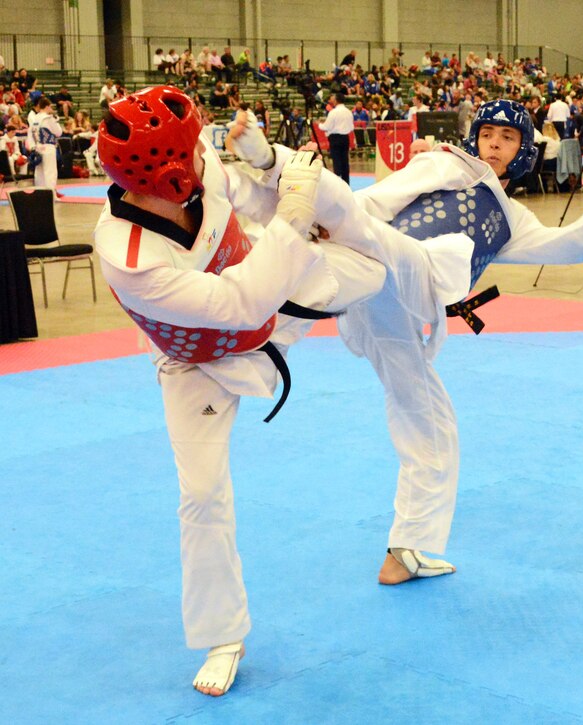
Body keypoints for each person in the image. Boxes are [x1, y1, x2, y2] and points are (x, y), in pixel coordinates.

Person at [93, 86, 470, 698]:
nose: (201, 160)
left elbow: (251, 196)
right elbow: (236, 305)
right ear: (161, 174)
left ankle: (434, 281)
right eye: (188, 158)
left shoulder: (198, 165)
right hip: (203, 362)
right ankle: (224, 635)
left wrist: (270, 169)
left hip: (279, 303)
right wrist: (292, 222)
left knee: (369, 264)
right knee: (202, 495)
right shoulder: (129, 258)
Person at [327, 100, 583, 585]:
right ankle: (278, 182)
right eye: (488, 133)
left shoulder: (511, 218)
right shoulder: (446, 162)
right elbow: (378, 200)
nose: (495, 143)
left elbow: (564, 247)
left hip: (401, 313)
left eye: (508, 137)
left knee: (433, 429)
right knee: (367, 245)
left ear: (523, 150)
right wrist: (340, 227)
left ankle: (404, 551)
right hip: (384, 262)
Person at [27, 96, 62, 190]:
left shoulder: (34, 118)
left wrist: (32, 147)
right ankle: (51, 194)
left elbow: (30, 134)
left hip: (38, 146)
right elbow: (58, 132)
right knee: (50, 171)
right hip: (48, 146)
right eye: (50, 107)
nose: (51, 109)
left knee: (39, 172)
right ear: (46, 107)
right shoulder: (48, 118)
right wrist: (56, 120)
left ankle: (40, 192)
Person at [319, 92, 353, 184]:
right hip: (345, 138)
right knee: (345, 161)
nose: (332, 100)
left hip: (335, 138)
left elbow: (326, 127)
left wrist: (319, 124)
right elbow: (351, 128)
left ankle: (337, 184)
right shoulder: (349, 112)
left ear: (336, 100)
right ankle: (346, 183)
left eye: (333, 98)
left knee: (337, 161)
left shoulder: (333, 112)